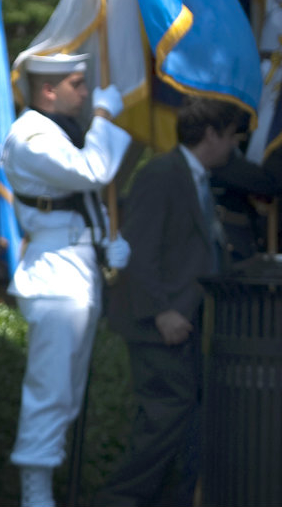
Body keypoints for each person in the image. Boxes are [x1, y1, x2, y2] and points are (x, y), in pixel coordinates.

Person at [0, 52, 131, 507]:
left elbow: (85, 195)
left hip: (75, 269)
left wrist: (107, 241)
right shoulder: (31, 137)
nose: (86, 92)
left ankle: (47, 489)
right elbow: (93, 170)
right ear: (48, 90)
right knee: (50, 395)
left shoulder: (53, 132)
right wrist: (105, 116)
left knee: (66, 395)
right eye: (77, 84)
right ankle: (36, 497)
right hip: (56, 277)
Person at [97, 96, 244, 506]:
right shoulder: (162, 173)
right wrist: (162, 310)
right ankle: (119, 499)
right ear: (211, 134)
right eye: (231, 136)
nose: (233, 146)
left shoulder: (193, 177)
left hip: (183, 322)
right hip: (156, 324)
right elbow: (140, 249)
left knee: (183, 425)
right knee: (164, 420)